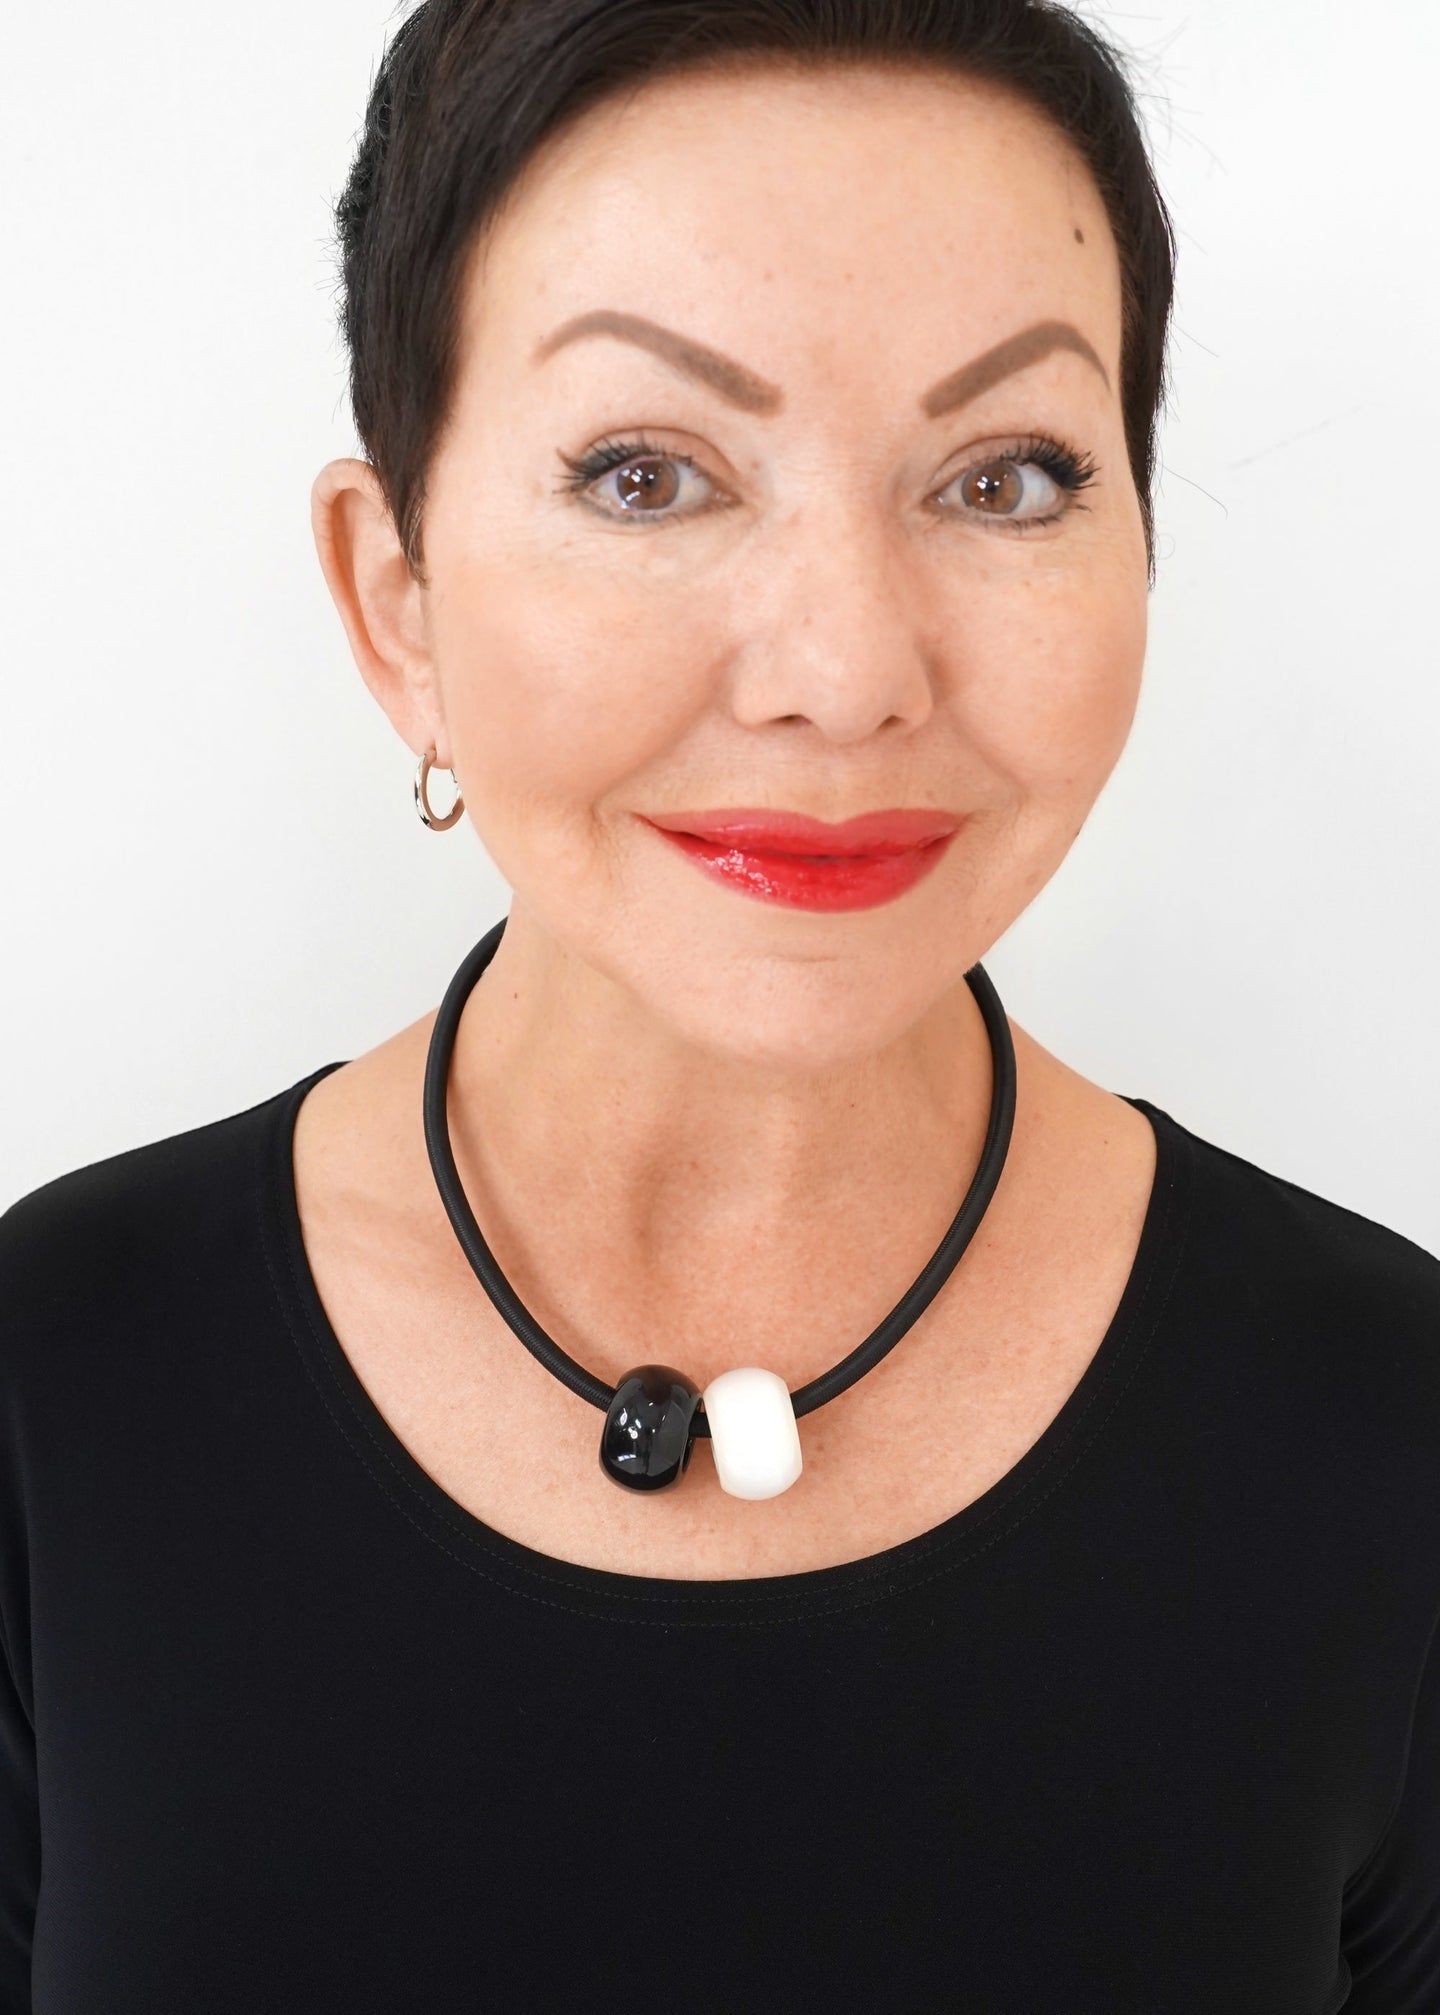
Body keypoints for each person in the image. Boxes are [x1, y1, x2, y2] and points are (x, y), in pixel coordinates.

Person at [2, 1, 1436, 2007]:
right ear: (396, 600)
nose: (845, 677)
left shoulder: (1389, 1430)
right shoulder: (54, 1385)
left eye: (1009, 476)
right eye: (646, 474)